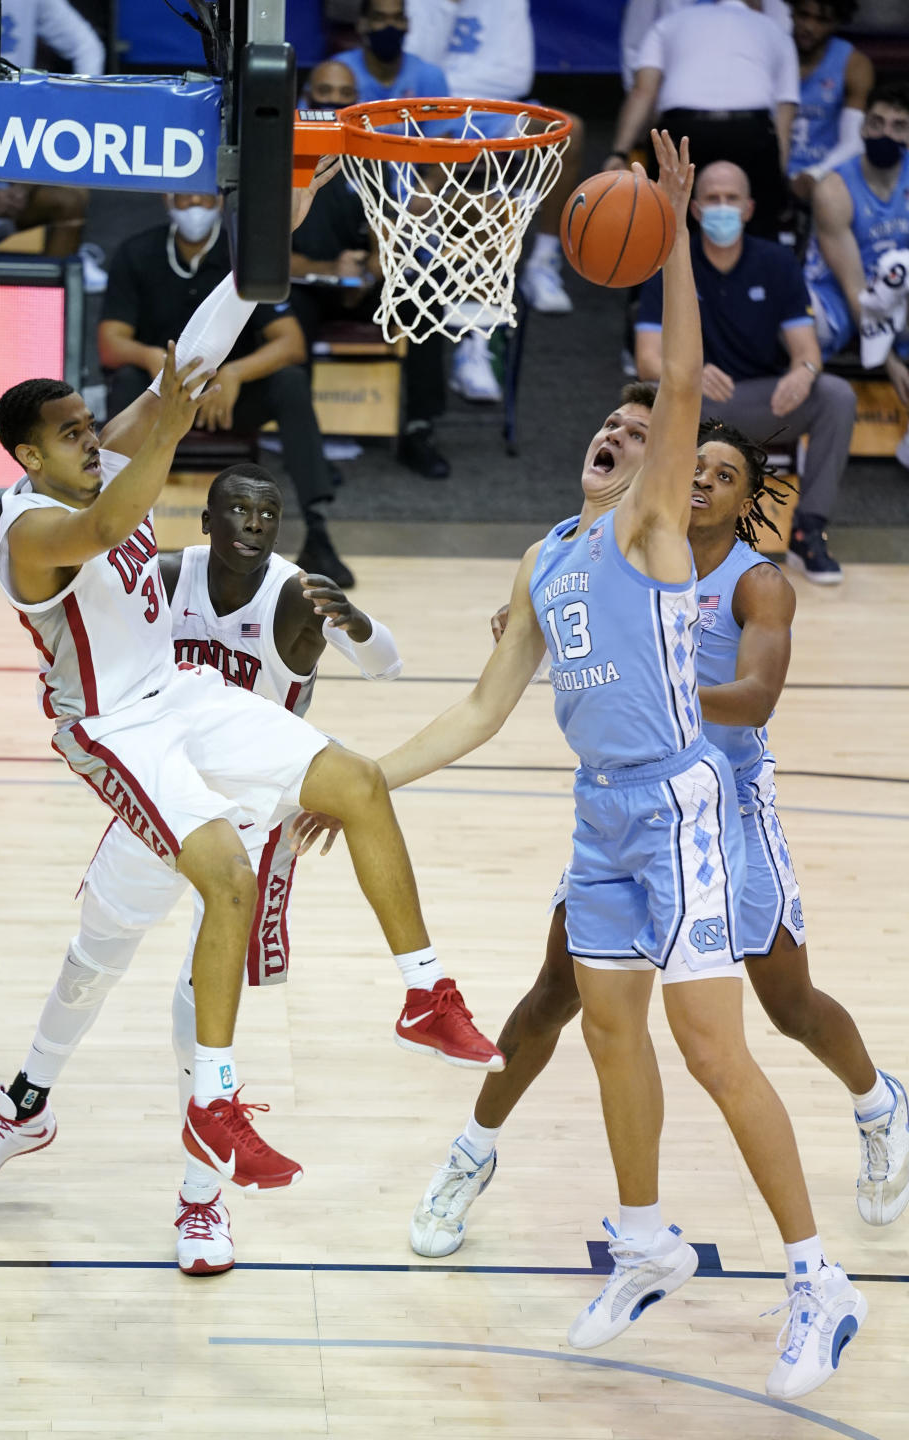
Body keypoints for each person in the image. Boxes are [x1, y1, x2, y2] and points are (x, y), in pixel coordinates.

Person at [370, 132, 865, 1400]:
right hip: (598, 818)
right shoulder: (542, 563)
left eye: (636, 431)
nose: (617, 436)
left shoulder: (652, 523)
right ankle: (644, 1243)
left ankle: (820, 1279)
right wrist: (368, 777)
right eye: (606, 425)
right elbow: (481, 711)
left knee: (714, 1045)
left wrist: (672, 268)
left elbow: (687, 374)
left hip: (681, 805)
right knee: (604, 1031)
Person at [0, 164, 503, 1213]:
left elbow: (192, 363)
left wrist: (266, 253)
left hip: (176, 696)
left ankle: (424, 992)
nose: (91, 435)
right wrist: (167, 412)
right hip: (111, 729)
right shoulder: (33, 526)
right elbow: (110, 524)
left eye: (90, 425)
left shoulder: (91, 466)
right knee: (216, 879)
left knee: (352, 781)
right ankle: (202, 1104)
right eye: (71, 433)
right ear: (28, 455)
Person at [406, 403, 909, 1271]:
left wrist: (650, 679)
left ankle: (878, 1104)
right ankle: (471, 1152)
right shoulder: (605, 551)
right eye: (698, 467)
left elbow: (753, 700)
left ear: (745, 501)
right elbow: (551, 619)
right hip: (629, 810)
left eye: (725, 476)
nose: (705, 482)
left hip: (729, 804)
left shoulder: (759, 584)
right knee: (552, 994)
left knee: (786, 1003)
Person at [0, 459, 414, 1276]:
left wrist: (360, 625)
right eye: (237, 508)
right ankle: (24, 1106)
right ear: (205, 519)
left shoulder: (294, 592)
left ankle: (202, 1199)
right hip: (163, 797)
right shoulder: (165, 576)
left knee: (192, 1017)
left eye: (269, 511)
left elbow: (388, 667)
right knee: (90, 961)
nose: (254, 523)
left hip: (250, 826)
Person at [97, 189, 356, 590]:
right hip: (162, 399)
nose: (194, 208)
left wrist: (234, 374)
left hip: (227, 398)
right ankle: (111, 518)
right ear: (168, 200)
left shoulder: (244, 255)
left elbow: (291, 343)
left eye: (203, 199)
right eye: (184, 200)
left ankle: (318, 531)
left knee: (291, 381)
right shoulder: (138, 253)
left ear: (220, 202)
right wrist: (156, 364)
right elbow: (110, 342)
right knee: (128, 382)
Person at [635, 159, 855, 583]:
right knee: (644, 393)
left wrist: (803, 372)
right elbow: (647, 357)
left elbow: (807, 349)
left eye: (731, 199)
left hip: (762, 399)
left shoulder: (776, 263)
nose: (722, 207)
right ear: (695, 210)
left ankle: (808, 532)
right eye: (712, 199)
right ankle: (652, 530)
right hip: (695, 405)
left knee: (835, 394)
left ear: (749, 208)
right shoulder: (670, 260)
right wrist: (690, 374)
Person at [292, 61, 450, 480]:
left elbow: (387, 225)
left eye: (345, 95)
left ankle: (419, 430)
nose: (334, 102)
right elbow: (262, 253)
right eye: (324, 91)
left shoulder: (373, 155)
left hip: (360, 285)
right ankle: (306, 446)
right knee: (286, 311)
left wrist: (378, 262)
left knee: (423, 293)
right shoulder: (281, 157)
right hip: (304, 285)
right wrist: (330, 268)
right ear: (306, 96)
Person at [404, 0, 588, 322]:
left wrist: (454, 83)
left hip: (497, 111)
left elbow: (516, 78)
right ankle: (423, 244)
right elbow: (417, 68)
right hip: (432, 109)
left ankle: (543, 261)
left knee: (566, 132)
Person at [607, 0, 799, 242]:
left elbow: (643, 92)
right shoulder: (775, 31)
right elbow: (785, 114)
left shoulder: (669, 23)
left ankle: (659, 279)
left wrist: (620, 152)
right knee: (757, 235)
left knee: (667, 232)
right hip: (751, 132)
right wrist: (775, 178)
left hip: (683, 131)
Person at [0, 0, 107, 290]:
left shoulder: (1, 90)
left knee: (69, 197)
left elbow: (87, 46)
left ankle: (46, 301)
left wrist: (23, 187)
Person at [806, 82, 909, 415]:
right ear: (863, 127)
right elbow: (854, 289)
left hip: (897, 294)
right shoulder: (833, 190)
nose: (885, 134)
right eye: (877, 123)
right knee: (804, 324)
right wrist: (888, 362)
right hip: (836, 294)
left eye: (899, 126)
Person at [787, 0, 873, 205]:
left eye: (821, 20)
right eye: (803, 15)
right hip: (771, 171)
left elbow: (853, 142)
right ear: (791, 13)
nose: (809, 26)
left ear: (836, 22)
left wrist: (815, 174)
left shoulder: (854, 63)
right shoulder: (770, 51)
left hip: (827, 171)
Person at [621, 0, 791, 92]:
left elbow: (781, 34)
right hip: (676, 106)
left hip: (746, 105)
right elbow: (635, 47)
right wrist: (647, 109)